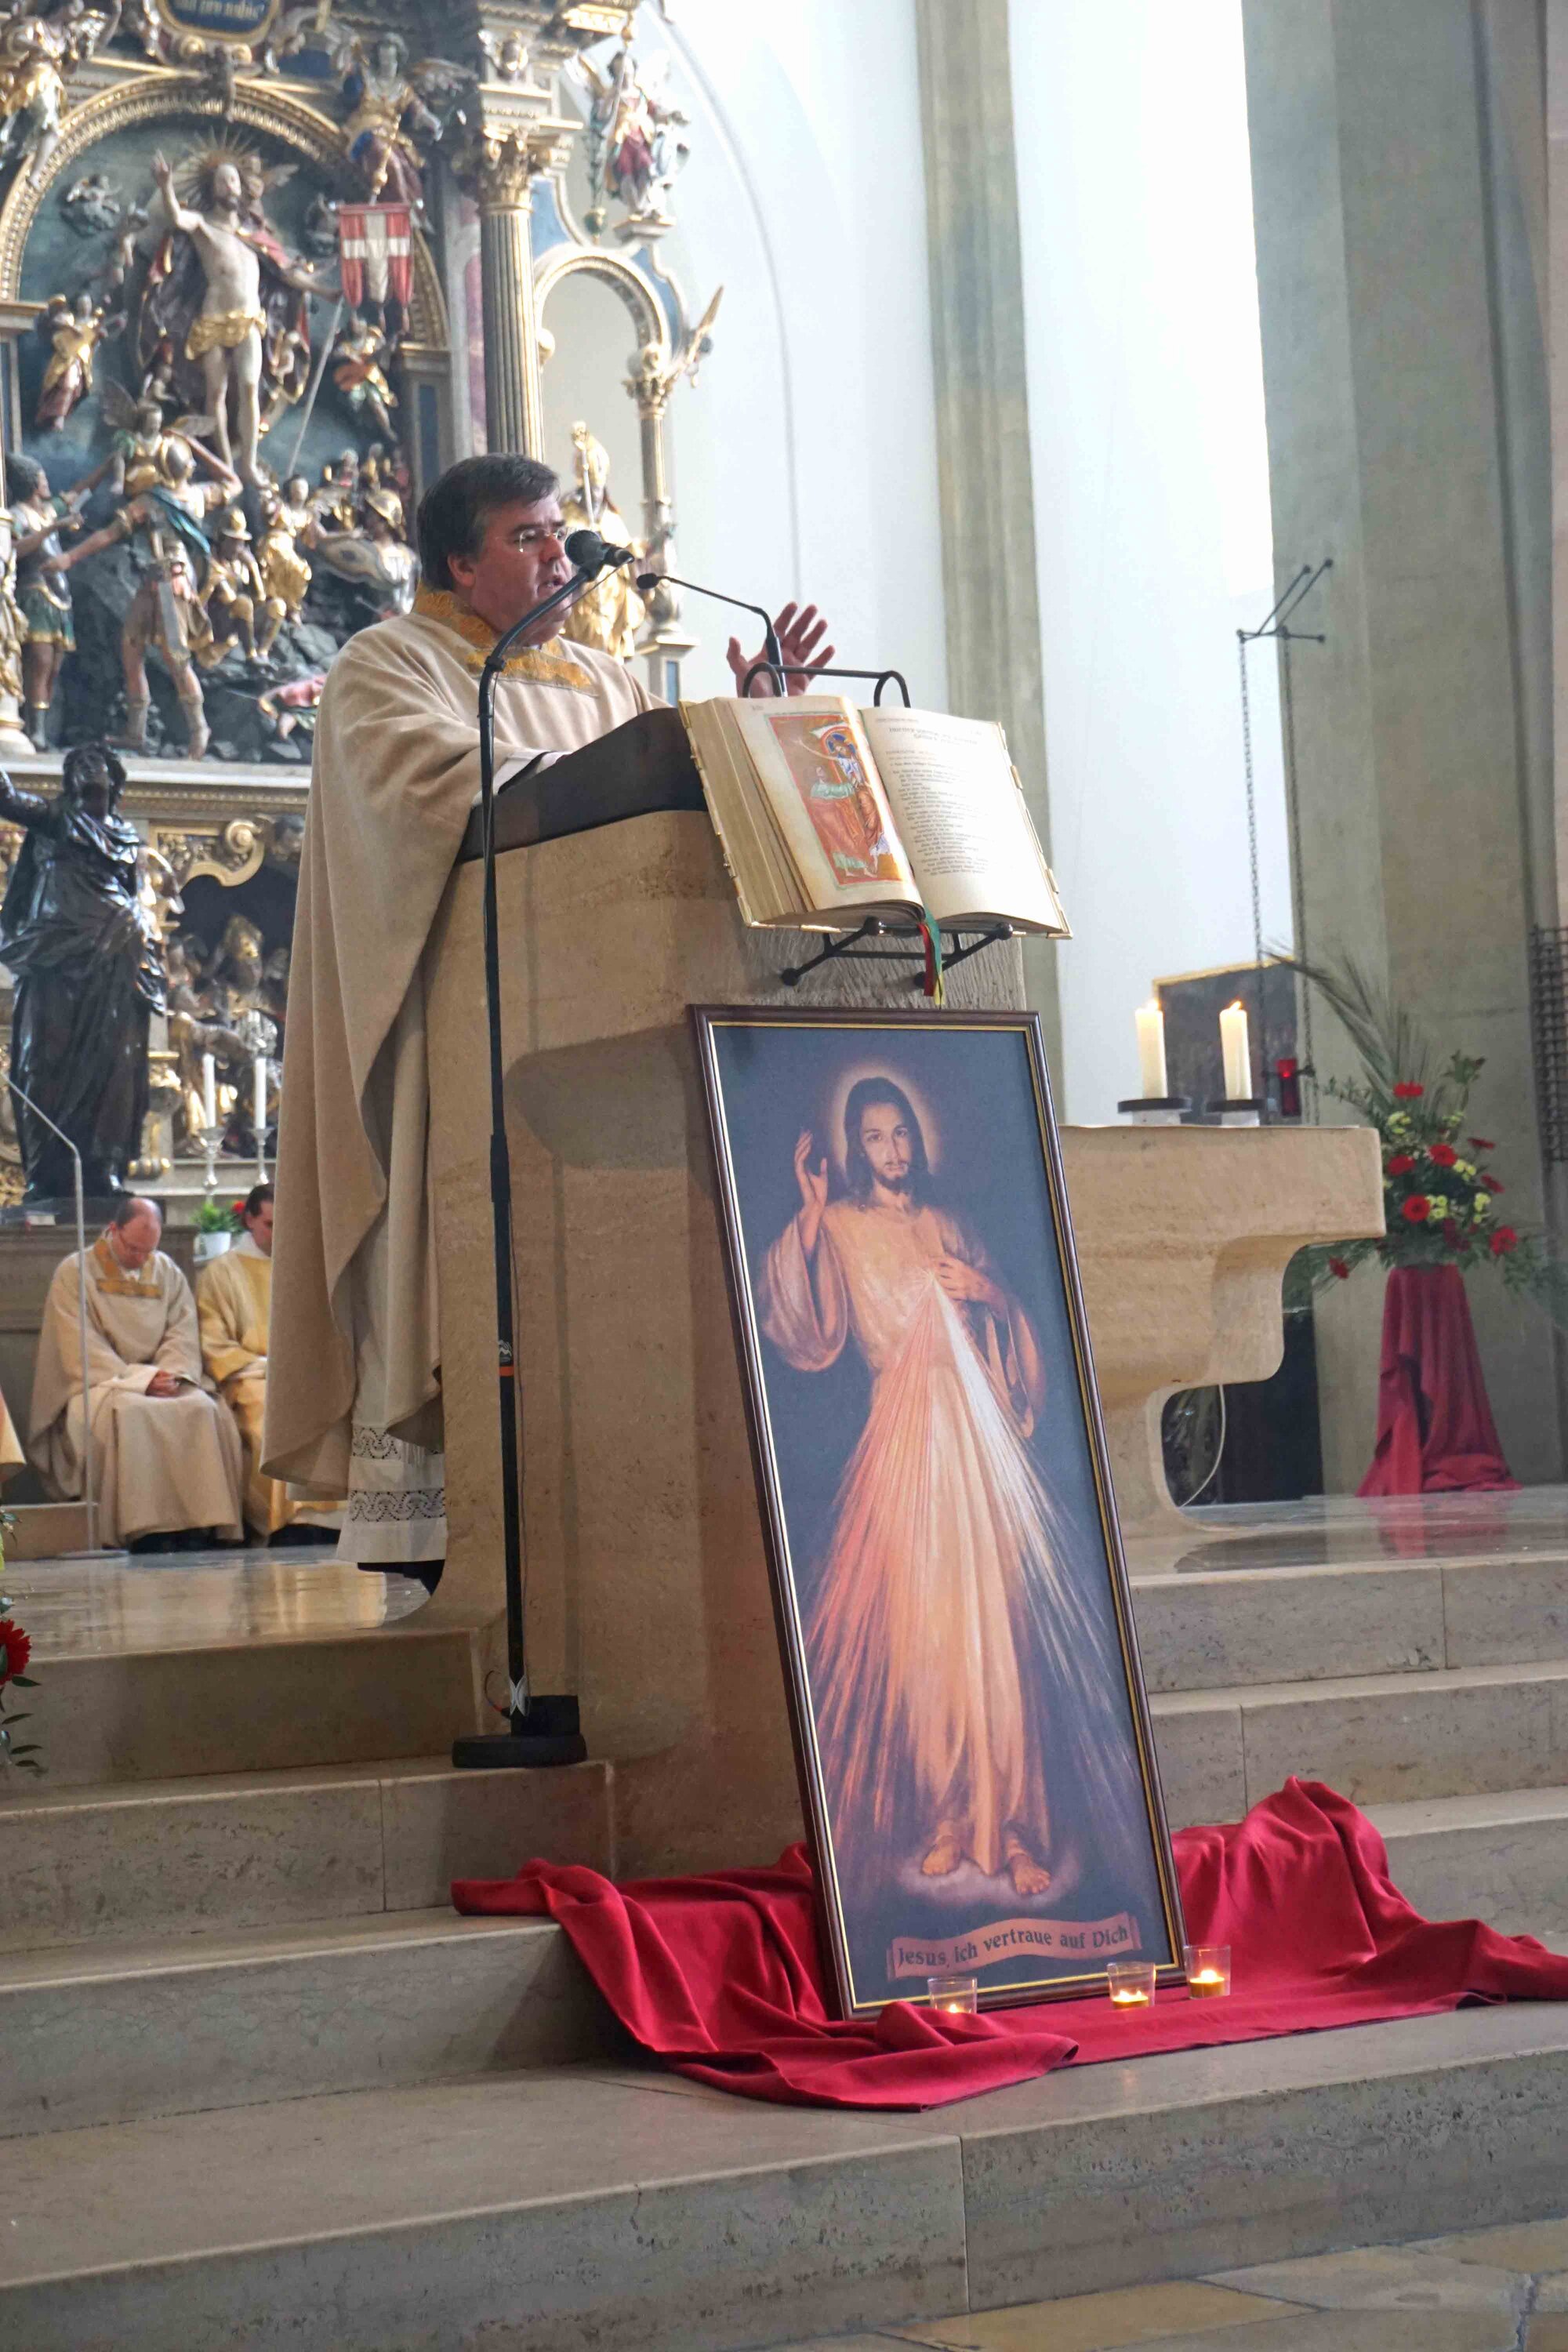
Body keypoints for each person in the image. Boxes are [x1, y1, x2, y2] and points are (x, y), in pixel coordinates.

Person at [264, 452, 833, 1588]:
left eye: (559, 531)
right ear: (459, 562)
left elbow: (653, 805)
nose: (558, 555)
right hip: (466, 1045)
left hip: (604, 1043)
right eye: (526, 537)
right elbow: (445, 791)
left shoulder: (607, 682)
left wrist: (745, 724)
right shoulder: (390, 669)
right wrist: (650, 756)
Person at [757, 1078, 1147, 1901]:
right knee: (926, 1642)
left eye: (900, 1135)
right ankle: (943, 1818)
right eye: (873, 1138)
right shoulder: (836, 1227)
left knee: (997, 1640)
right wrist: (806, 1210)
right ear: (852, 1148)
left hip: (977, 1448)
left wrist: (991, 1294)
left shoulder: (950, 1225)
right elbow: (803, 1331)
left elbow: (1014, 1338)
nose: (891, 1153)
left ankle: (1010, 1829)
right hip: (900, 1454)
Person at [0, 741, 165, 1202]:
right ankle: (46, 1171)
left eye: (98, 763)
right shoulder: (54, 820)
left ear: (114, 780)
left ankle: (101, 1166)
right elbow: (7, 798)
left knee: (114, 1061)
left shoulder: (129, 839)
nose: (89, 768)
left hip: (114, 956)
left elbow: (138, 898)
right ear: (69, 782)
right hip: (55, 955)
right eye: (78, 764)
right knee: (42, 1058)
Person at [30, 1195, 244, 1550]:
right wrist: (141, 1381)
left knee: (202, 1409)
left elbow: (182, 1332)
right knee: (131, 1414)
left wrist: (170, 1375)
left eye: (150, 1250)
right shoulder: (75, 1271)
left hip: (163, 1378)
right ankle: (141, 1530)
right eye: (133, 1249)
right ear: (113, 1230)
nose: (142, 1259)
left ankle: (197, 1527)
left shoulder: (166, 1271)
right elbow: (79, 1345)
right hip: (102, 1382)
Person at [198, 1184, 341, 1541]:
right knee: (273, 1419)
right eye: (270, 1224)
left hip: (302, 1375)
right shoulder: (221, 1273)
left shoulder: (304, 1269)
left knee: (333, 1409)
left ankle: (333, 1517)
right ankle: (288, 1521)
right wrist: (266, 1366)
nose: (279, 1234)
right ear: (249, 1220)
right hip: (248, 1378)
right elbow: (212, 1341)